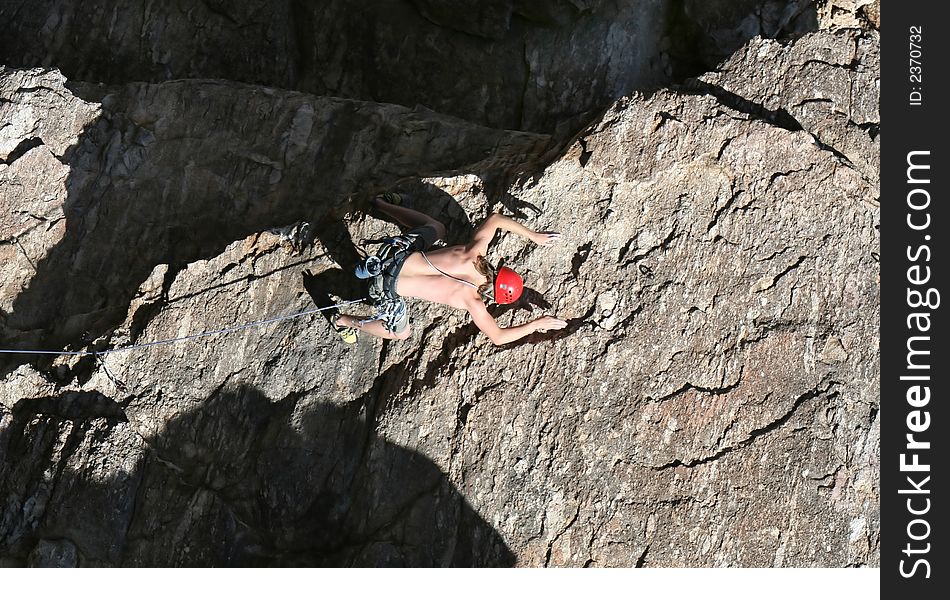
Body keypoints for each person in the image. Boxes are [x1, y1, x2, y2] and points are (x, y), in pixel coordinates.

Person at [333, 193, 568, 345]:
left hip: (392, 257)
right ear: (494, 297)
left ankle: (382, 203)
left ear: (499, 272)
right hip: (385, 288)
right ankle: (343, 321)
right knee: (400, 334)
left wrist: (533, 236)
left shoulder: (473, 254)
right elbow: (498, 337)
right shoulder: (472, 301)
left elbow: (495, 219)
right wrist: (537, 324)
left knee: (437, 227)